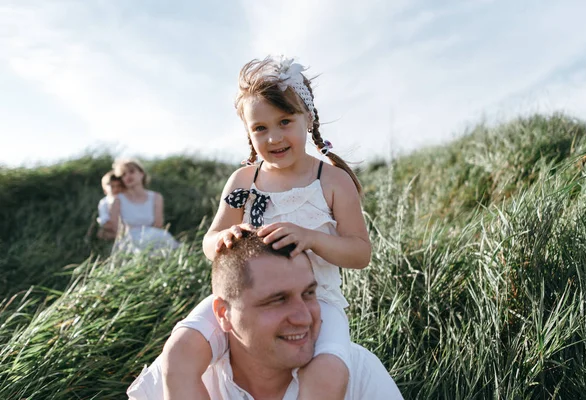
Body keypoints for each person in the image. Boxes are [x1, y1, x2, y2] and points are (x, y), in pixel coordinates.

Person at [162, 56, 371, 399]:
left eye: (285, 121)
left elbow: (360, 252)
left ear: (309, 119)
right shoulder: (244, 180)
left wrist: (312, 238)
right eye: (260, 128)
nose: (273, 137)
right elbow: (210, 239)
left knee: (327, 375)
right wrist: (222, 240)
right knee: (180, 352)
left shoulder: (332, 181)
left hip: (317, 301)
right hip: (244, 301)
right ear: (248, 132)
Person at [127, 232, 403, 399]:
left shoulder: (359, 372)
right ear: (223, 314)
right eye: (277, 300)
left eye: (309, 294)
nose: (303, 317)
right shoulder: (171, 380)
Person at [109, 158, 179, 254]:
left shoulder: (156, 197)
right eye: (123, 175)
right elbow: (116, 227)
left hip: (154, 236)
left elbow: (158, 224)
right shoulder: (117, 200)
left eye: (131, 171)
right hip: (129, 240)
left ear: (141, 173)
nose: (128, 176)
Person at [96, 170, 123, 240]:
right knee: (102, 233)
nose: (116, 189)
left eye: (119, 186)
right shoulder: (104, 203)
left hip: (126, 226)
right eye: (113, 186)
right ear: (105, 190)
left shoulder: (125, 199)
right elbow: (105, 221)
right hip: (112, 227)